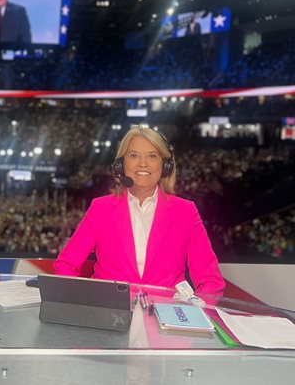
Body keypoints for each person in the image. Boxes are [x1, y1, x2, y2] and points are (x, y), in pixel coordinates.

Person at [54, 126, 224, 295]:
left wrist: (194, 313)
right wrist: (81, 305)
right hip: (108, 315)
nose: (143, 163)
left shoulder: (185, 212)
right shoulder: (100, 209)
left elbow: (210, 280)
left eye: (152, 156)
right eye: (134, 155)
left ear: (165, 166)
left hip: (165, 317)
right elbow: (66, 265)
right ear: (121, 165)